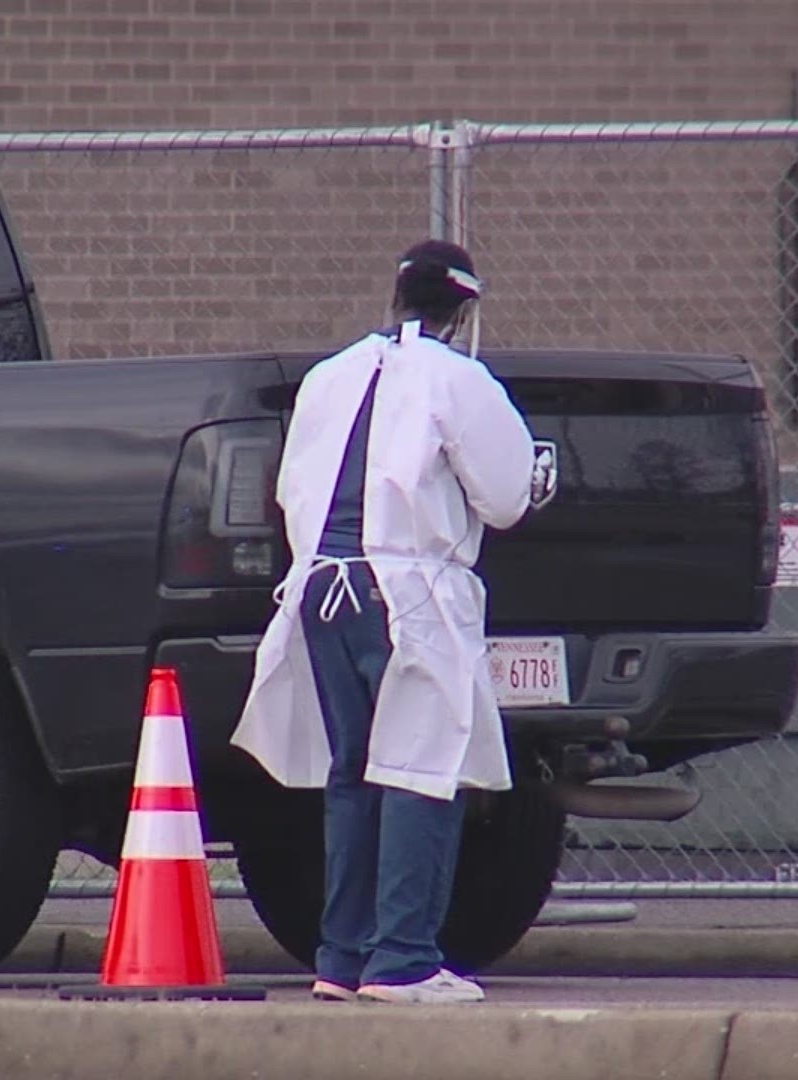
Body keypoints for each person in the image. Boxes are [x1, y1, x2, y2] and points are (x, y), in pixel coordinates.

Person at [231, 239, 537, 1005]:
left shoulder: (330, 376)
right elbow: (504, 498)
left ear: (397, 298)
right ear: (463, 310)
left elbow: (294, 486)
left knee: (351, 777)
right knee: (420, 772)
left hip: (321, 592)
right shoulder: (458, 378)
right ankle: (403, 961)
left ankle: (340, 958)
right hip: (409, 596)